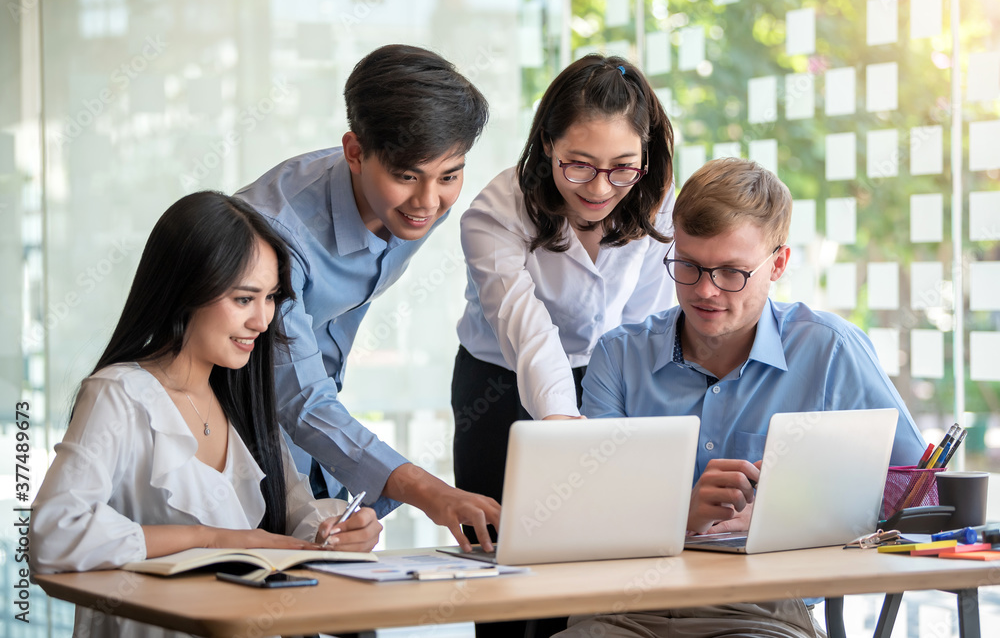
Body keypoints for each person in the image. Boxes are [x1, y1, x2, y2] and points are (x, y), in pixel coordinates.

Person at [555, 157, 927, 638]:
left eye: (731, 272)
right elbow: (586, 513)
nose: (705, 291)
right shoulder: (619, 356)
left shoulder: (830, 350)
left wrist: (796, 513)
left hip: (759, 615)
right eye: (688, 266)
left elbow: (922, 495)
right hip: (623, 608)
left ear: (778, 264)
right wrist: (677, 515)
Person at [30, 191, 381, 638]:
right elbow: (55, 534)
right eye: (243, 299)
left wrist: (339, 532)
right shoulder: (119, 394)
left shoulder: (243, 398)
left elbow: (297, 518)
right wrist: (212, 540)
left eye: (271, 298)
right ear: (185, 290)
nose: (263, 320)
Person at [236, 43, 499, 551]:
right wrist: (430, 492)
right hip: (231, 432)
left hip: (311, 431)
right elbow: (299, 395)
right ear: (354, 152)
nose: (428, 202)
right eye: (407, 176)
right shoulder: (272, 232)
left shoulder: (414, 207)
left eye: (449, 176)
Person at [452, 53, 675, 513]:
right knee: (503, 535)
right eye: (579, 164)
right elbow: (527, 331)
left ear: (646, 158)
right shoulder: (495, 212)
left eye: (623, 167)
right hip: (500, 383)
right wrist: (560, 424)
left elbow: (647, 325)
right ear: (548, 144)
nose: (599, 189)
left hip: (610, 372)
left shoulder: (659, 202)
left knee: (609, 526)